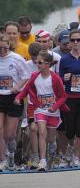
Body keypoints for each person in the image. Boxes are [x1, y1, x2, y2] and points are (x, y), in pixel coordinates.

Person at [14, 51, 67, 171]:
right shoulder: (34, 76)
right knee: (41, 132)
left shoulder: (55, 78)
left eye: (40, 62)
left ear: (48, 64)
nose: (37, 64)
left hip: (53, 111)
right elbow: (26, 89)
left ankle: (52, 155)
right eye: (36, 62)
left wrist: (54, 107)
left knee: (51, 139)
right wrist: (18, 97)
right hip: (40, 110)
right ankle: (42, 161)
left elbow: (63, 96)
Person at [58, 28, 80, 167]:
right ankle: (68, 152)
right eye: (72, 40)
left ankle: (76, 157)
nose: (75, 42)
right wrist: (64, 78)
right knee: (69, 130)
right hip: (70, 97)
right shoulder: (64, 60)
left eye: (78, 39)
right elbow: (59, 80)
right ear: (69, 42)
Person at [0, 34, 29, 170]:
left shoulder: (16, 59)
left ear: (9, 46)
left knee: (9, 133)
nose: (2, 51)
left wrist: (17, 86)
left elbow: (26, 76)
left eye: (5, 48)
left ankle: (11, 152)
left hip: (14, 97)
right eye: (0, 48)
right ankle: (3, 159)